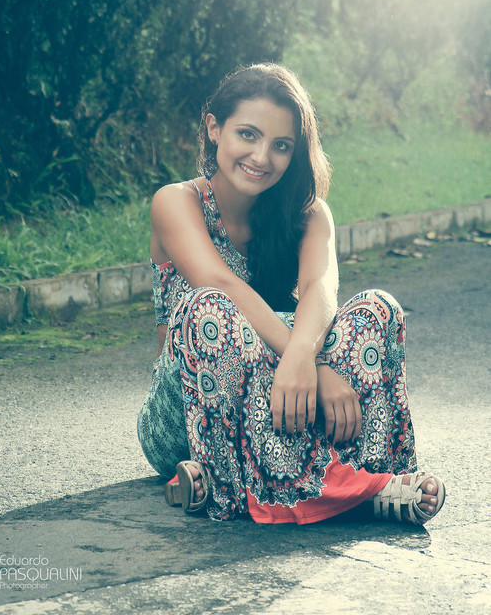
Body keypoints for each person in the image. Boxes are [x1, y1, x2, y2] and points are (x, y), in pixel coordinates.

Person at [137, 63, 445, 526]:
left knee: (375, 309)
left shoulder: (308, 213)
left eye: (281, 146)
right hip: (186, 411)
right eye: (247, 134)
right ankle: (325, 488)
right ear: (214, 128)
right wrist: (311, 365)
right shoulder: (176, 202)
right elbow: (221, 283)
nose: (262, 157)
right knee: (210, 309)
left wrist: (304, 358)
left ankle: (369, 477)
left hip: (281, 393)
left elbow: (322, 289)